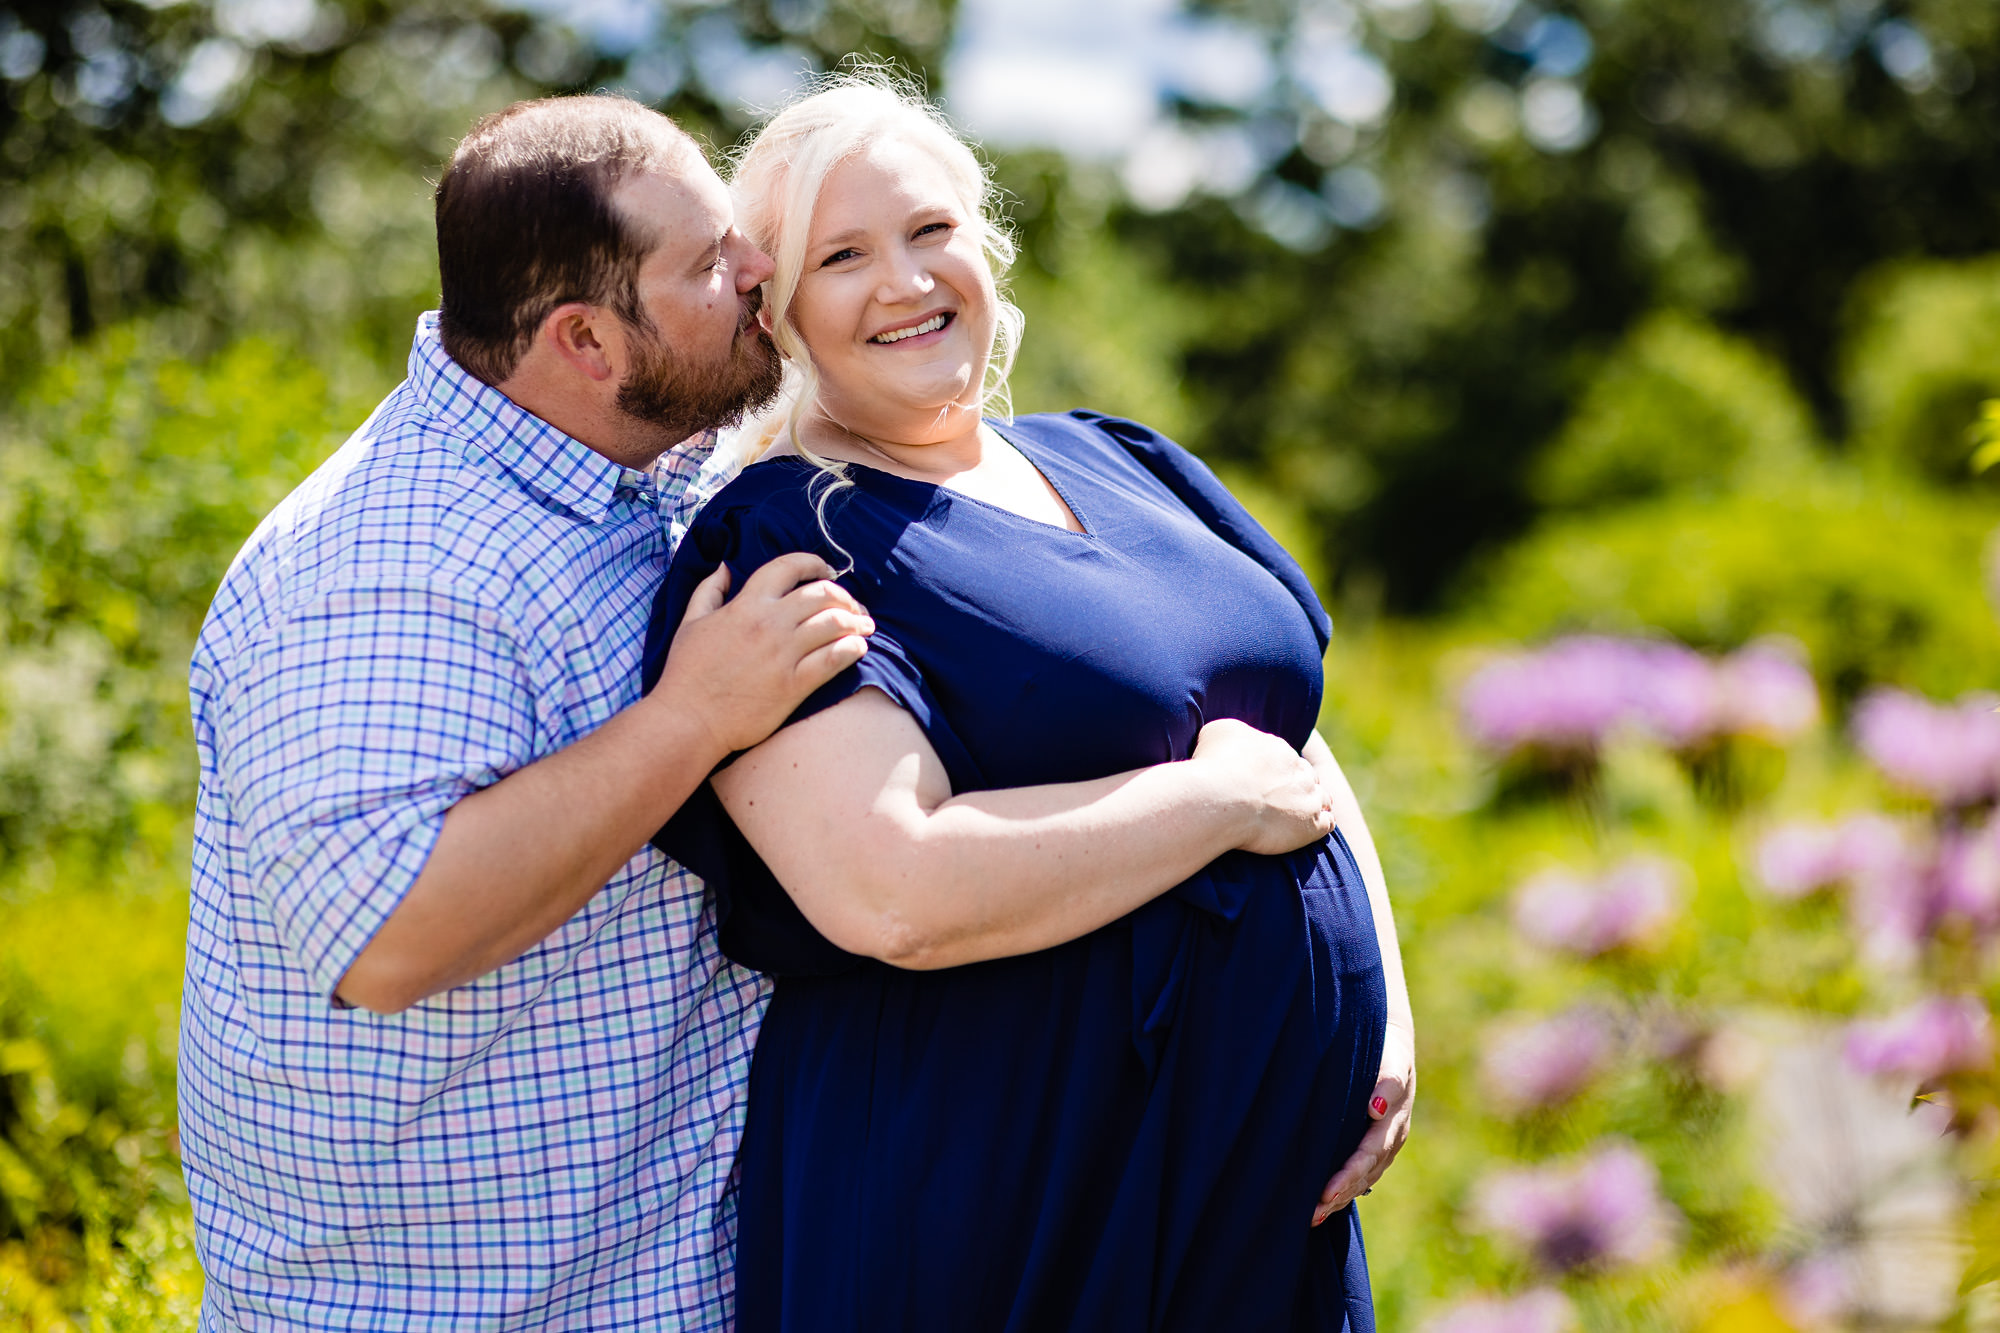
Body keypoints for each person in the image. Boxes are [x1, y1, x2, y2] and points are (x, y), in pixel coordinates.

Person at [181, 93, 1349, 1330]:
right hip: (465, 1298)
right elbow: (386, 934)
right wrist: (692, 717)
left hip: (667, 1261)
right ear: (587, 343)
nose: (754, 269)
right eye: (709, 263)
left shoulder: (659, 467)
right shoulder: (387, 561)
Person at [644, 79, 1416, 1331]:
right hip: (1006, 1187)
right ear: (776, 312)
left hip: (1260, 1199)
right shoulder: (792, 537)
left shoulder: (1126, 459)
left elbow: (1289, 744)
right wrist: (1205, 802)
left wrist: (1383, 1017)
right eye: (840, 256)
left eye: (929, 230)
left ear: (985, 248)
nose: (903, 281)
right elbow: (890, 889)